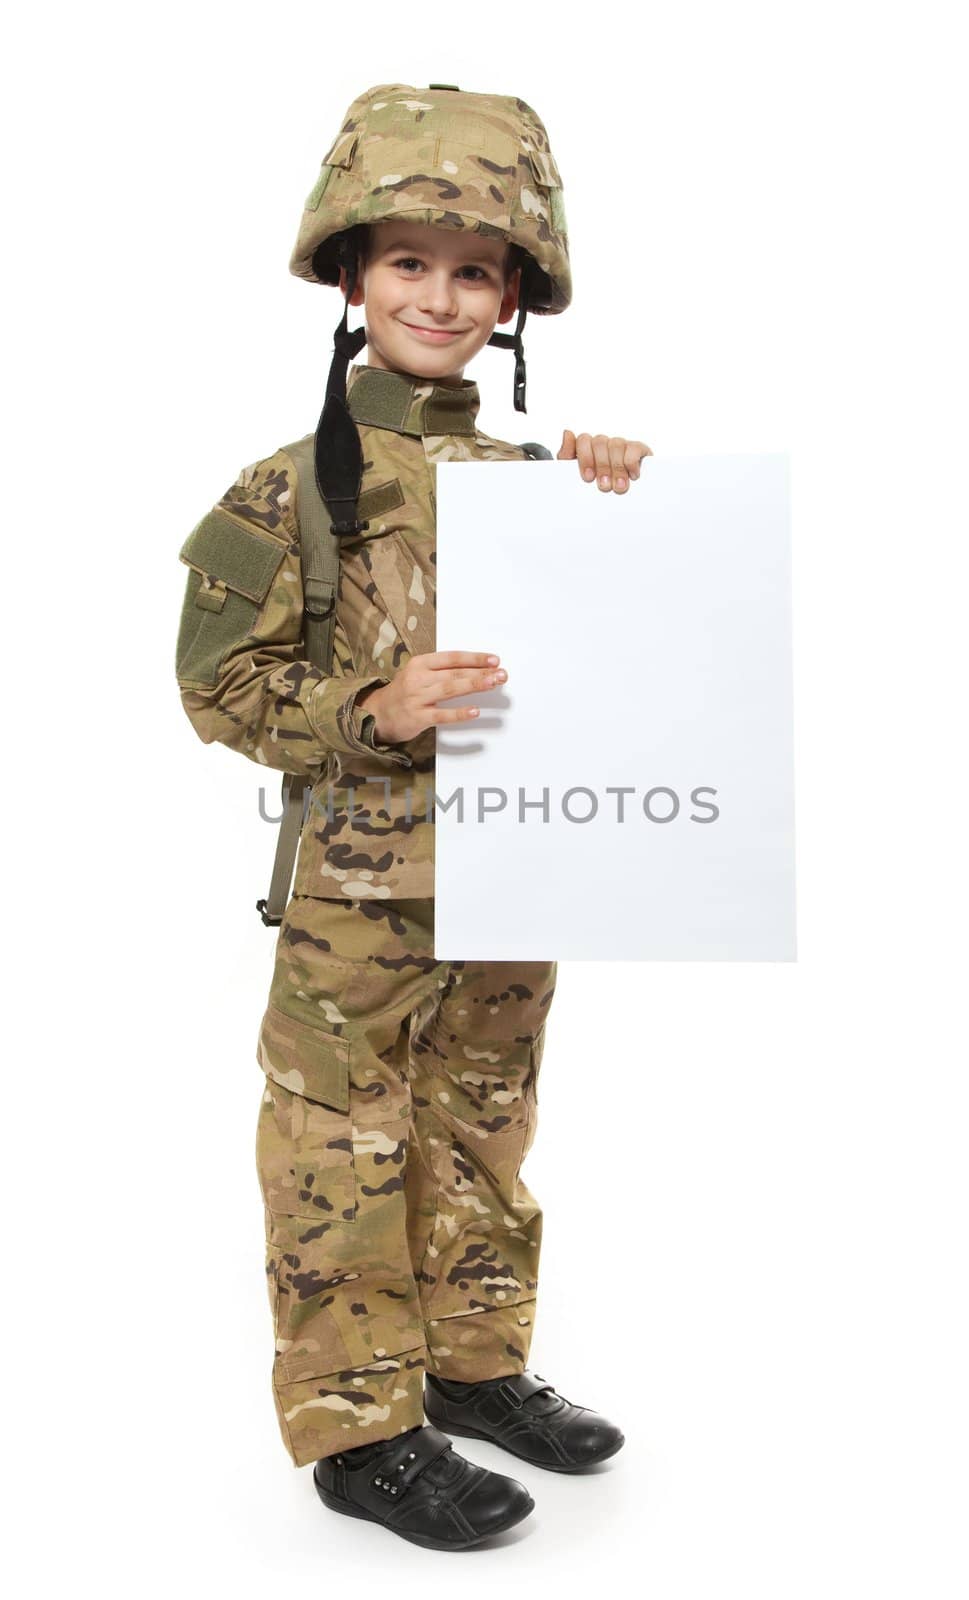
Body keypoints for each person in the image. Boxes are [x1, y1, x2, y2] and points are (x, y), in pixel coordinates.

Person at [175, 83, 651, 1551]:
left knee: (481, 1124)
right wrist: (368, 711)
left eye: (474, 270)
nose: (440, 297)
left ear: (511, 298)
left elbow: (639, 658)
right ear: (347, 275)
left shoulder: (534, 484)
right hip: (360, 891)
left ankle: (470, 1364)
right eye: (407, 263)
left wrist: (624, 509)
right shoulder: (285, 490)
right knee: (341, 1142)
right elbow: (217, 689)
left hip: (523, 869)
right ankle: (361, 1428)